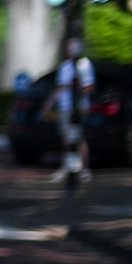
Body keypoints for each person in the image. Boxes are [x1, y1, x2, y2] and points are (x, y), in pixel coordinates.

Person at [45, 42, 93, 187]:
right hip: (65, 107)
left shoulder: (84, 65)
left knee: (78, 138)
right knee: (66, 138)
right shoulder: (64, 66)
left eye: (72, 47)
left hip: (78, 107)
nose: (70, 50)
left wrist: (76, 87)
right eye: (69, 48)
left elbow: (89, 86)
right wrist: (48, 104)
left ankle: (84, 169)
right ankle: (68, 167)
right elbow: (58, 87)